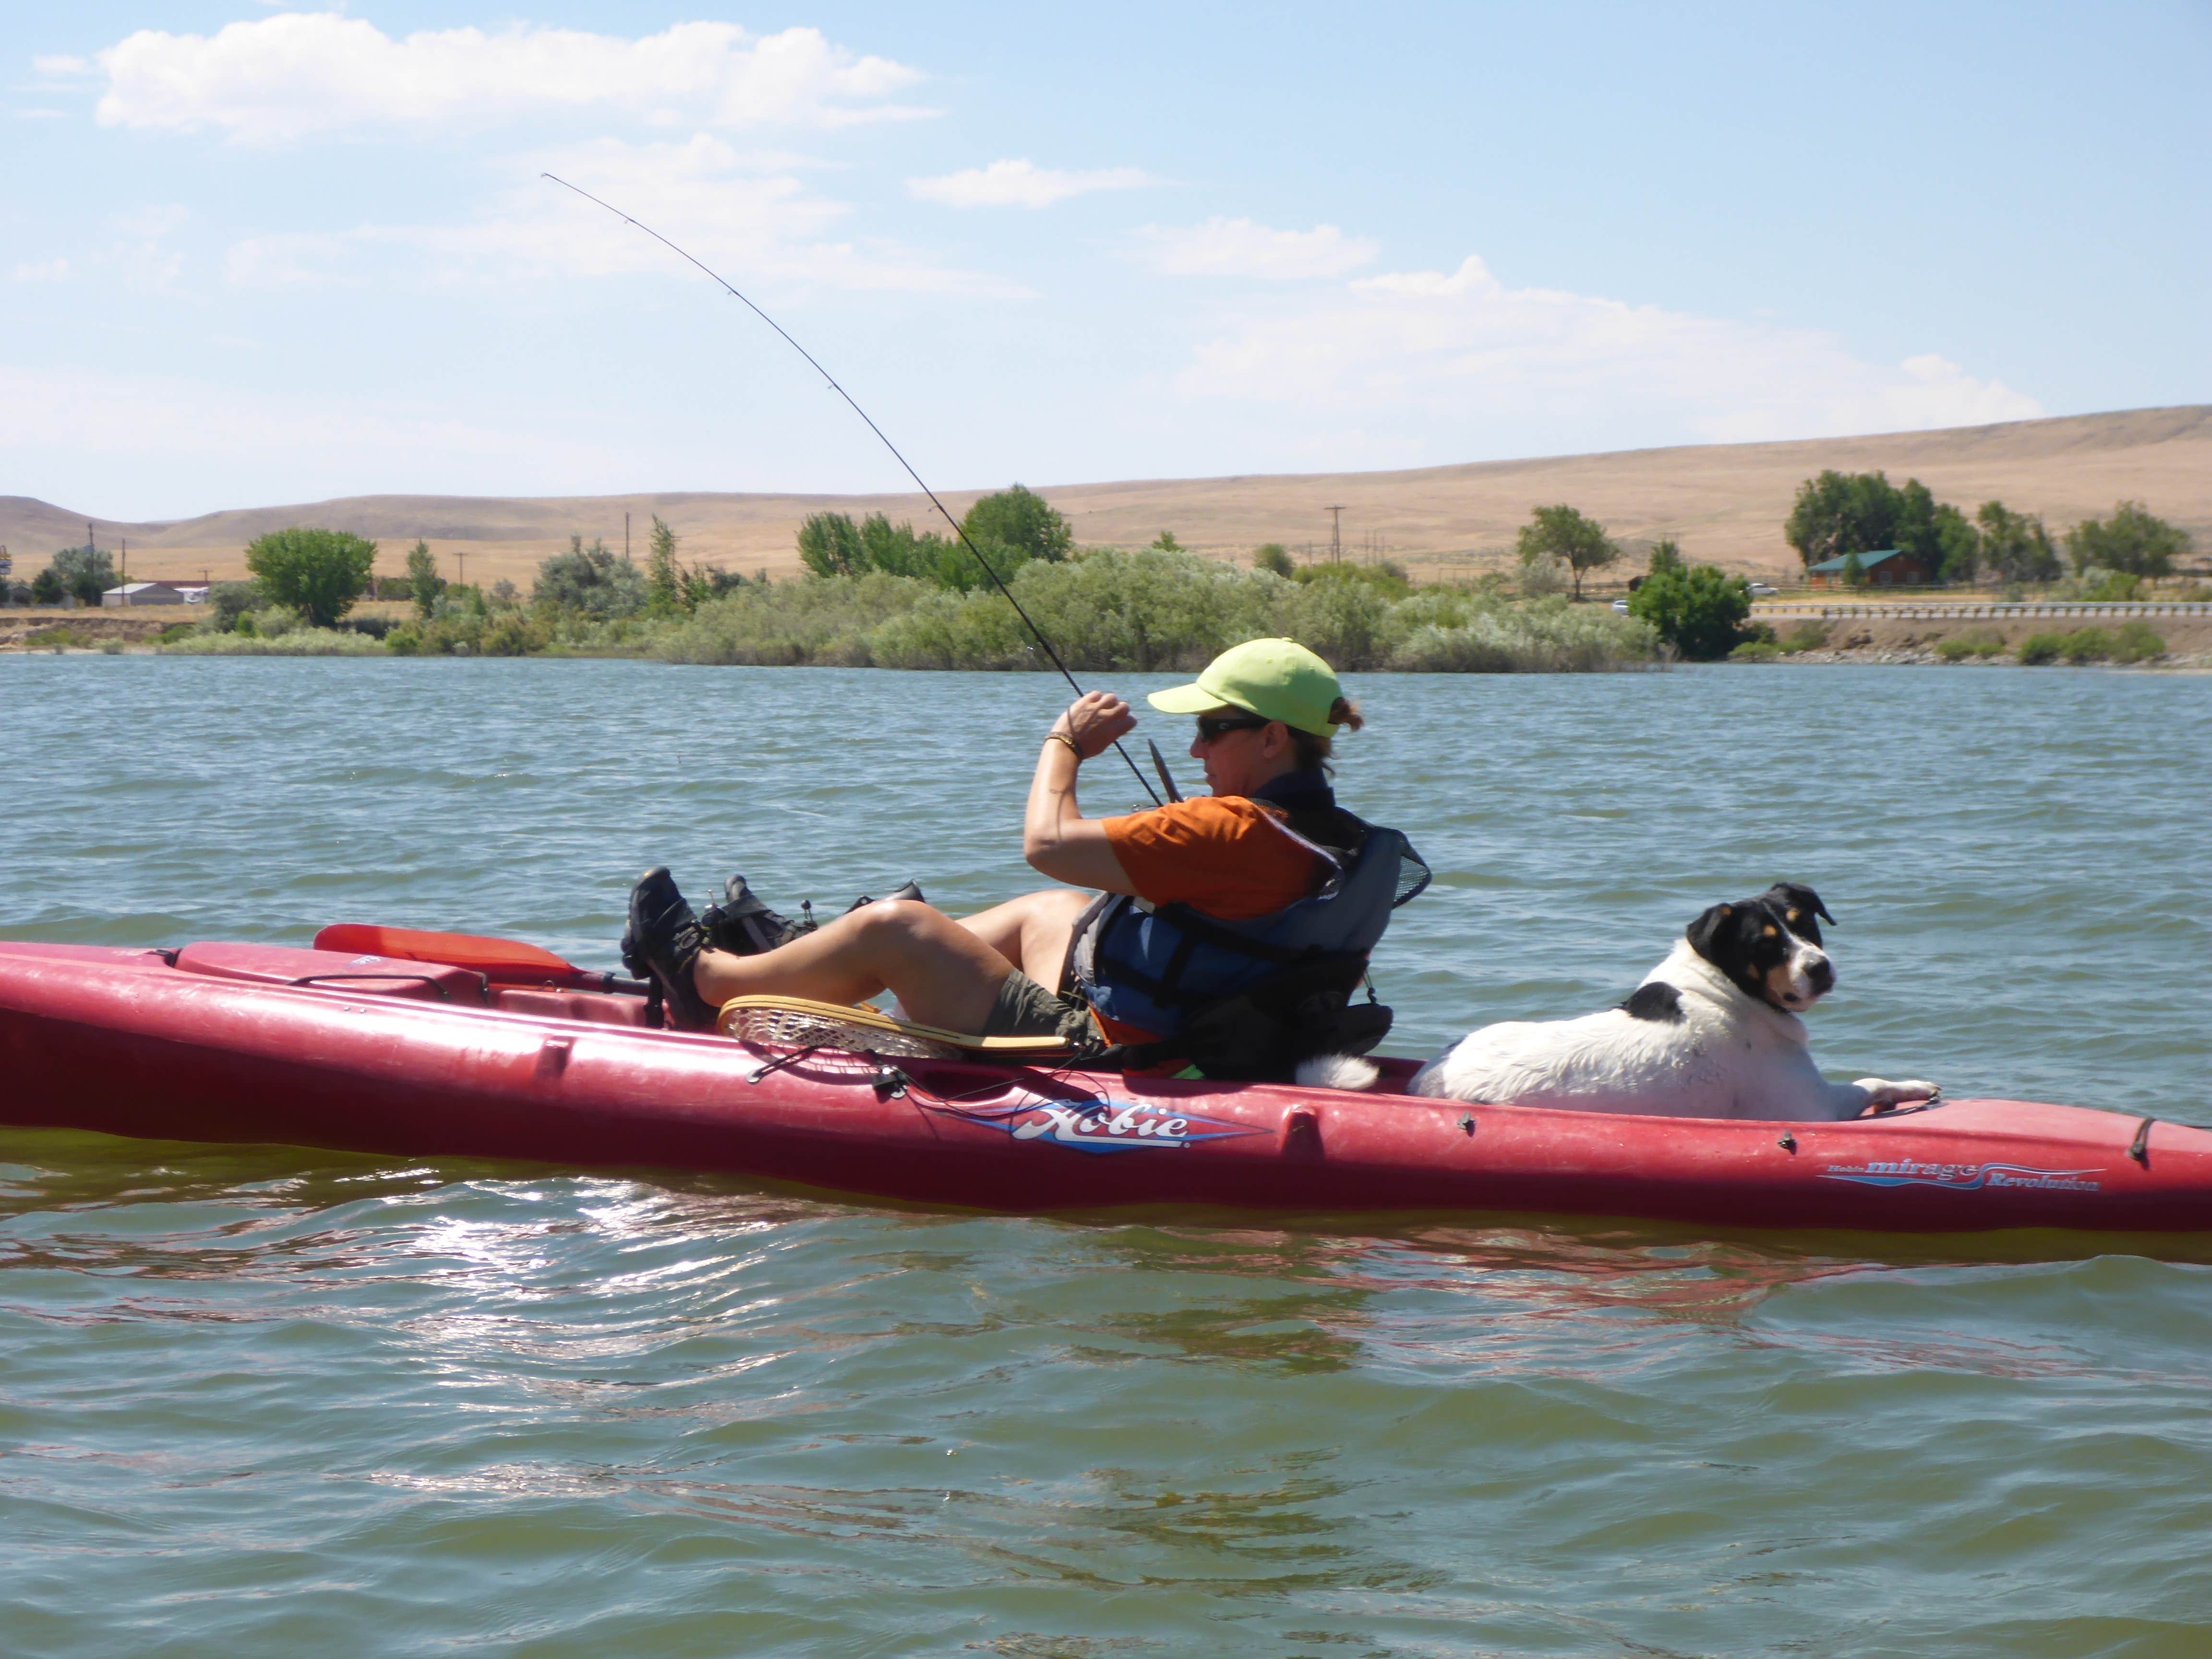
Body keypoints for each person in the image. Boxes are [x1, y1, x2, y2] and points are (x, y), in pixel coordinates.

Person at [622, 637, 1422, 1074]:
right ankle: (812, 972)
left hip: (1117, 1052)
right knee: (1055, 913)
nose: (1195, 745)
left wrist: (1064, 744)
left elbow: (1044, 842)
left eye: (1213, 730)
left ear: (1273, 739)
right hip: (1204, 1034)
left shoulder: (1230, 832)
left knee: (899, 926)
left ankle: (708, 983)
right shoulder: (1342, 840)